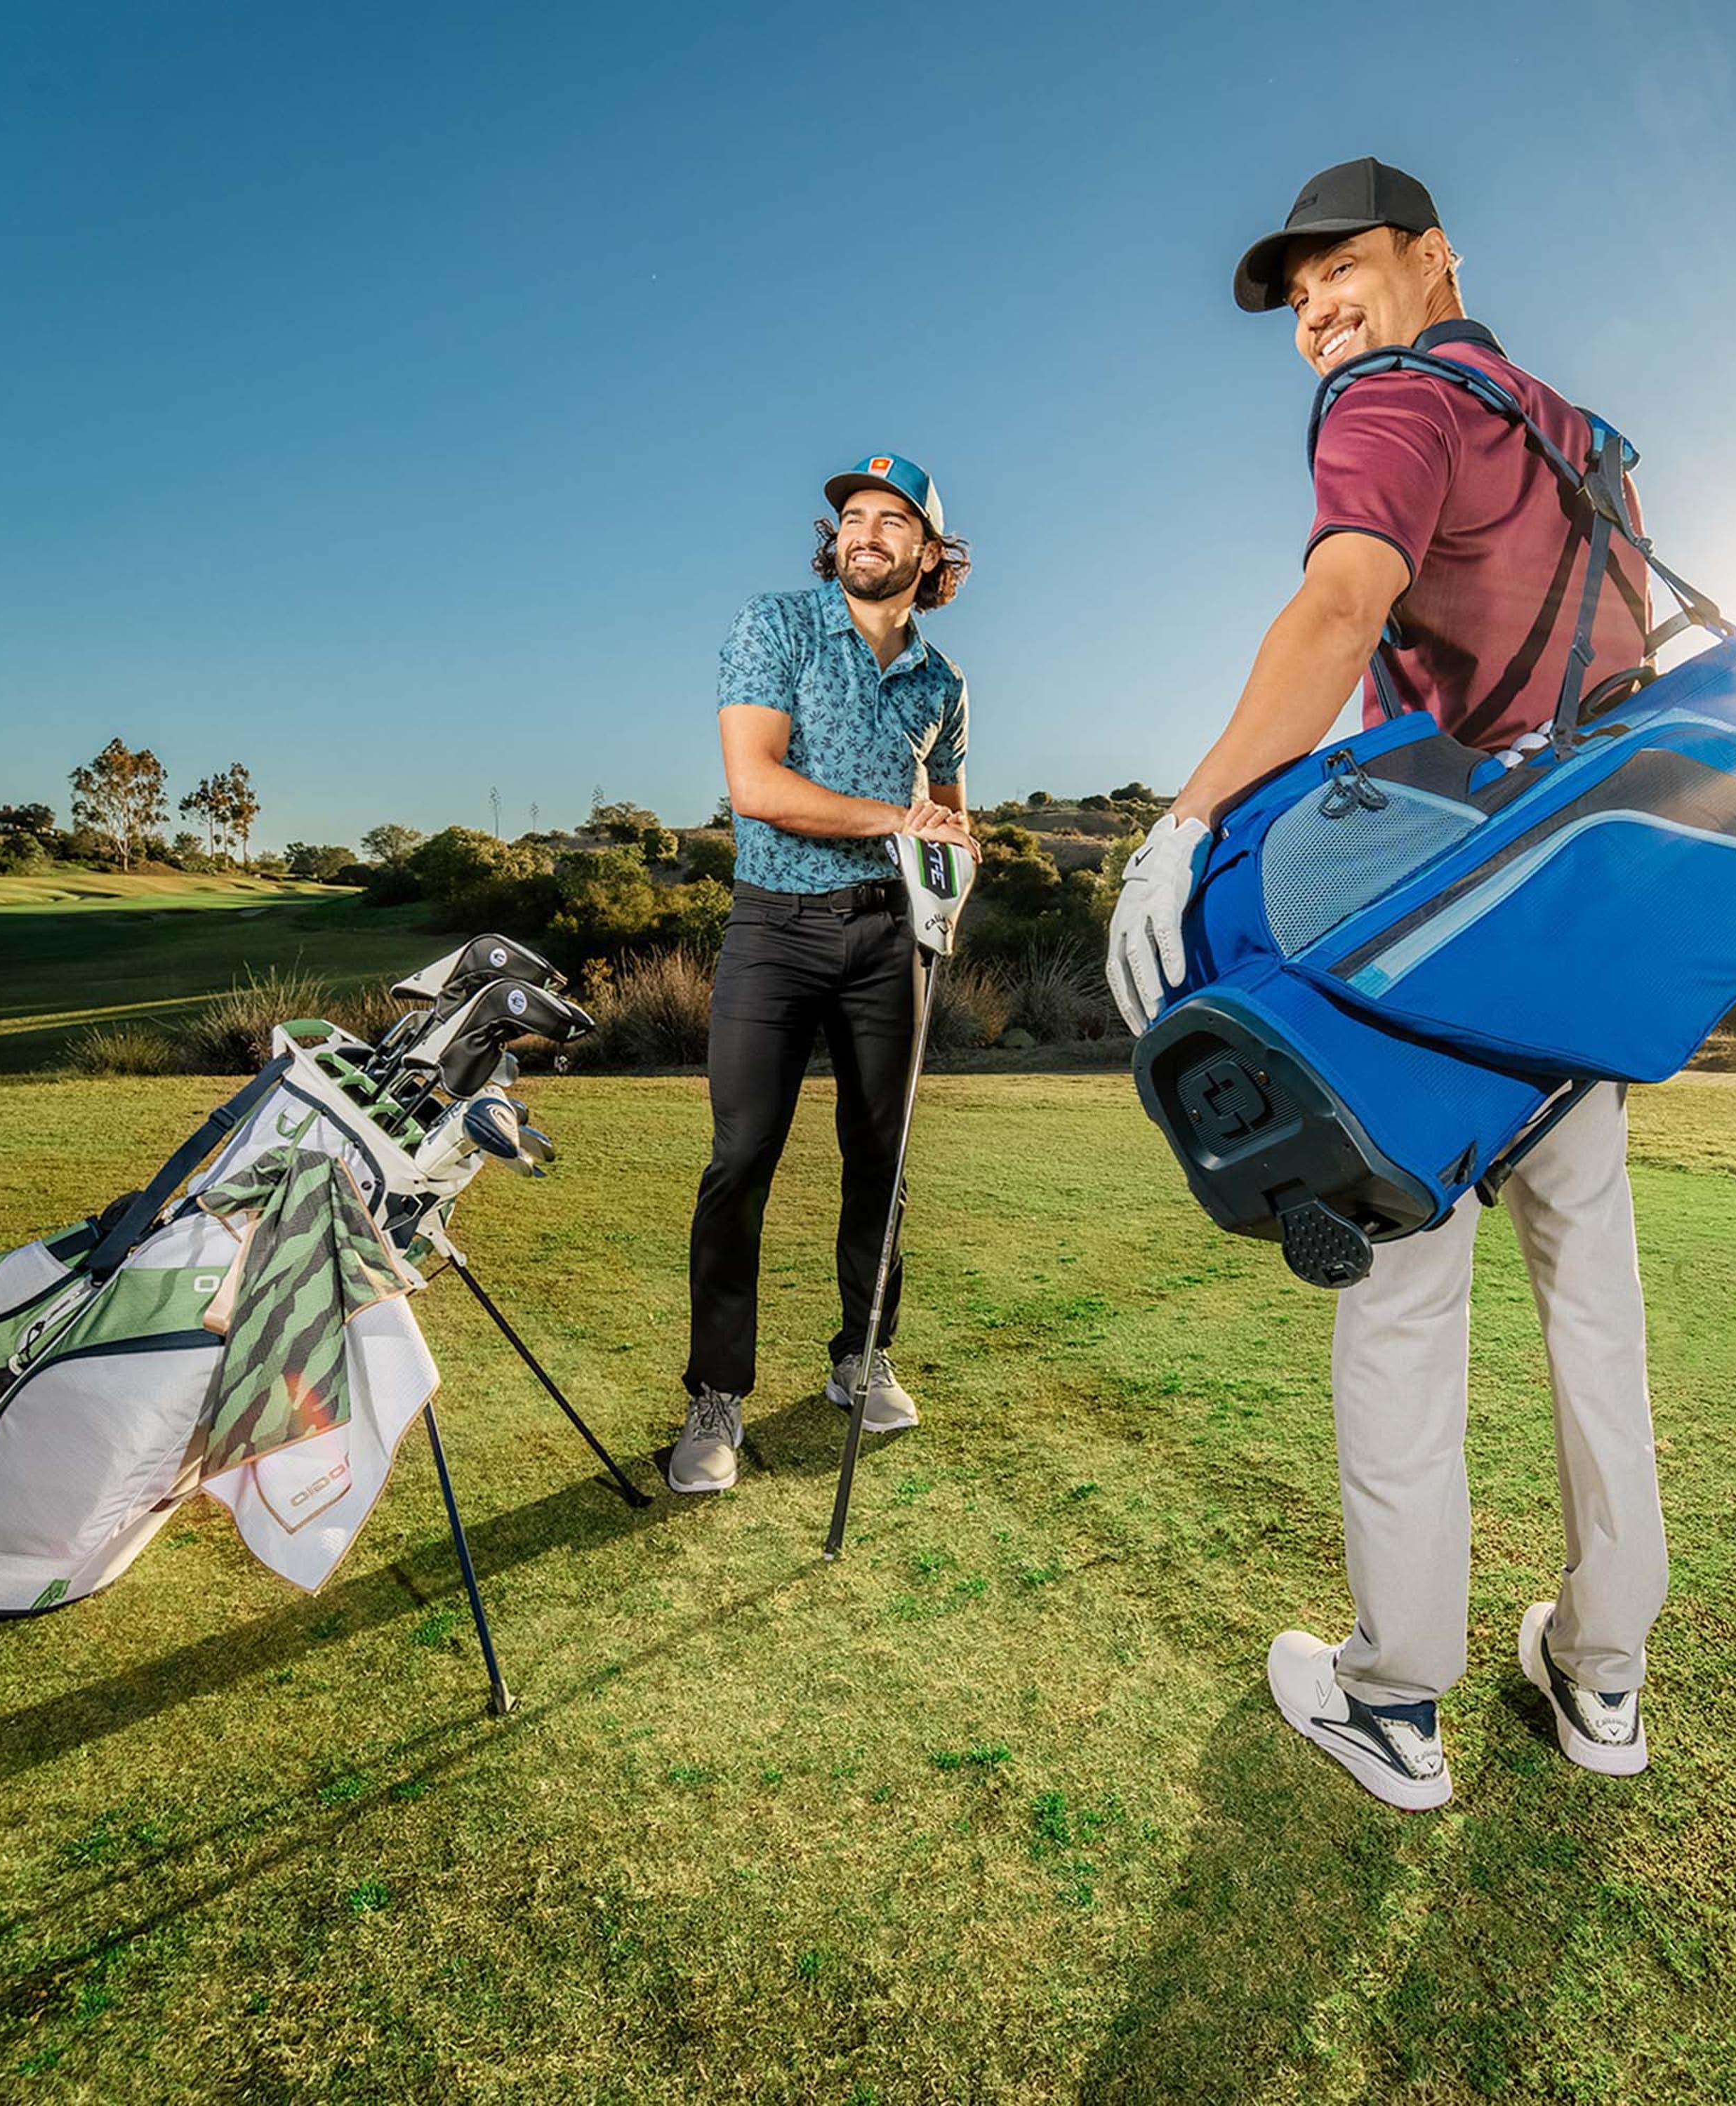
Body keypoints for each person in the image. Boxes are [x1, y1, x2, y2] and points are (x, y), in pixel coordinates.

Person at [1107, 159, 1668, 1810]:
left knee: (1406, 1303)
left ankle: (1397, 1702)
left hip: (1440, 935)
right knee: (1595, 1315)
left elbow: (1343, 598)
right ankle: (1603, 1678)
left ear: (1434, 260)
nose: (1318, 314)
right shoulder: (1579, 439)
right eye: (1297, 300)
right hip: (1581, 938)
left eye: (1340, 270)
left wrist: (1195, 809)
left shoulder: (1390, 405)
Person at [672, 455, 976, 1495]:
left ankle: (862, 1355)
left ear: (928, 554)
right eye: (854, 516)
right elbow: (755, 785)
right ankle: (716, 1395)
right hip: (775, 928)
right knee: (741, 1159)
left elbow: (951, 818)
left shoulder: (943, 684)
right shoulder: (777, 624)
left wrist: (948, 879)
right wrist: (899, 821)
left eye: (894, 521)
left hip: (890, 939)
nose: (867, 533)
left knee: (880, 1163)